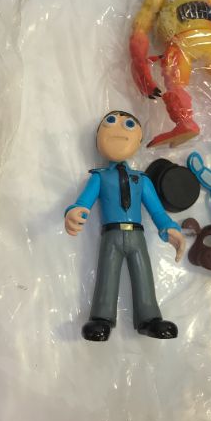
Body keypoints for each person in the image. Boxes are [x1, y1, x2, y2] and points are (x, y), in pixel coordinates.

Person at [65, 110, 185, 341]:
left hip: (137, 236)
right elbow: (83, 203)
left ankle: (149, 318)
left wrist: (169, 228)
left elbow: (157, 211)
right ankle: (101, 317)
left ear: (139, 141)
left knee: (143, 274)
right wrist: (73, 212)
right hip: (110, 234)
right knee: (107, 274)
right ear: (98, 139)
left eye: (129, 125)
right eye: (110, 123)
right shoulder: (99, 177)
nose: (119, 130)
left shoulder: (143, 180)